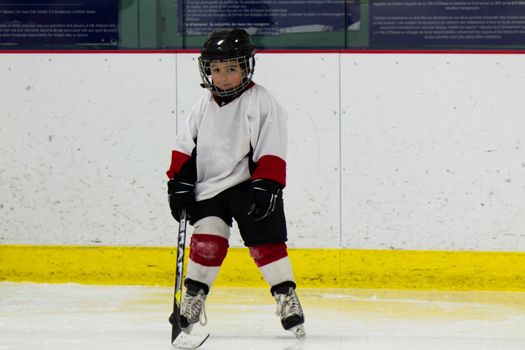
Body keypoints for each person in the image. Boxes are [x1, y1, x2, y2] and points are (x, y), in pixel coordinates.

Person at [166, 28, 305, 338]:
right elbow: (185, 147)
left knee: (265, 239)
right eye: (216, 70)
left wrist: (266, 185)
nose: (223, 77)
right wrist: (179, 185)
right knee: (208, 239)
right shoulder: (203, 105)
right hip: (210, 187)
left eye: (231, 68)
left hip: (250, 186)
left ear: (246, 67)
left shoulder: (261, 101)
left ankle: (285, 295)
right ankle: (193, 297)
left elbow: (271, 145)